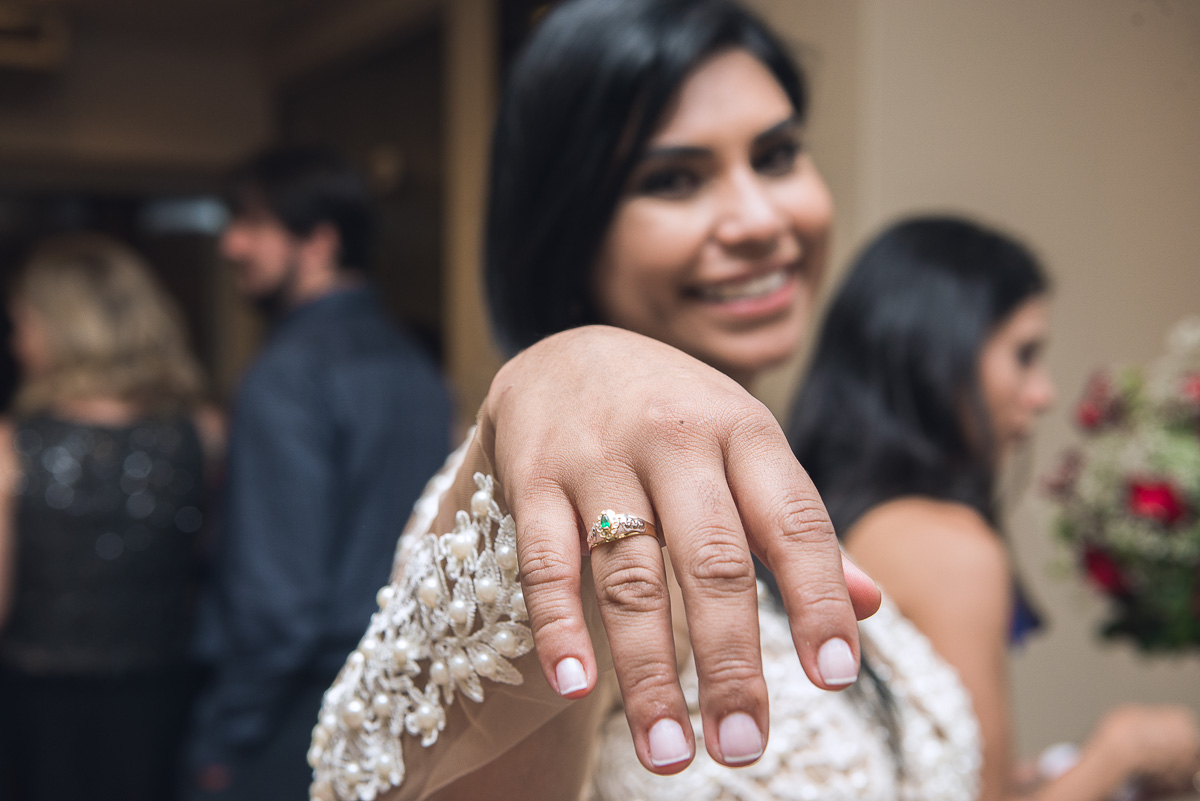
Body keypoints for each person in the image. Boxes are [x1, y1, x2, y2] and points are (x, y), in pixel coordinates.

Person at [307, 2, 974, 800]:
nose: (760, 220)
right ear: (569, 224)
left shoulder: (765, 483)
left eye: (777, 154)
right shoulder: (538, 515)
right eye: (673, 179)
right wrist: (573, 358)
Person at [790, 215, 1200, 801]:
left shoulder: (805, 514)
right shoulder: (951, 548)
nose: (1043, 394)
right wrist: (1122, 749)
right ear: (937, 355)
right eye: (1024, 354)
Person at [184, 146, 454, 800]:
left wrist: (225, 736)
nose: (231, 245)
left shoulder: (286, 374)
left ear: (318, 241)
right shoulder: (417, 365)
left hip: (295, 711)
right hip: (404, 698)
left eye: (250, 224)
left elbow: (279, 603)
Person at [0, 234, 223, 801]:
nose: (17, 344)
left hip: (40, 701)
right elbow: (215, 557)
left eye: (22, 325)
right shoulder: (202, 432)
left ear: (61, 329)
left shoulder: (12, 444)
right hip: (163, 693)